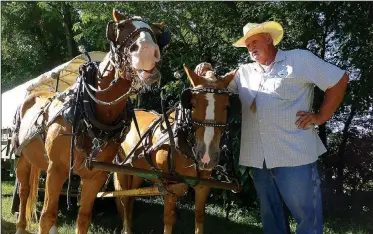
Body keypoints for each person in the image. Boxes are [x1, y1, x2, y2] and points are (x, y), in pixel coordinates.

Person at [194, 21, 349, 234]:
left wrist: (321, 116)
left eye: (254, 41)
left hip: (295, 157)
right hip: (259, 160)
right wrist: (208, 70)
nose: (250, 48)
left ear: (269, 38)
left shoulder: (299, 59)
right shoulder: (243, 72)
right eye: (247, 45)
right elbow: (215, 87)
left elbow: (339, 80)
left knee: (307, 219)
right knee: (271, 220)